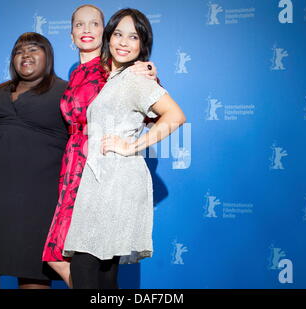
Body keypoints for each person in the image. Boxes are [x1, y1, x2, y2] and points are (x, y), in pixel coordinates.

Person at [62, 8, 186, 289]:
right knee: (103, 270)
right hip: (98, 178)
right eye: (118, 34)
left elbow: (175, 116)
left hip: (117, 179)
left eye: (133, 37)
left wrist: (133, 146)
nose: (123, 42)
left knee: (86, 263)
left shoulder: (136, 78)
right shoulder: (114, 79)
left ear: (143, 45)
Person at [42, 4, 157, 288]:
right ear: (70, 35)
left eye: (94, 24)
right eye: (79, 25)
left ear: (104, 32)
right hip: (72, 165)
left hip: (99, 166)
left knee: (93, 259)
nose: (86, 30)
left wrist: (131, 143)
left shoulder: (116, 68)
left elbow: (155, 112)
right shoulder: (75, 77)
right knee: (72, 257)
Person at [0, 32, 69, 289]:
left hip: (40, 200)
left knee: (32, 270)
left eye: (34, 49)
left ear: (48, 57)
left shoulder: (65, 92)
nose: (26, 55)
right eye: (19, 51)